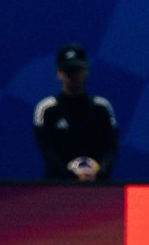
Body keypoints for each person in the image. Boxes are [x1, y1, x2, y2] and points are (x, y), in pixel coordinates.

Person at [34, 42, 118, 181]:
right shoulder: (47, 109)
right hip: (58, 187)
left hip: (98, 187)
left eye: (77, 70)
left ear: (86, 71)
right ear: (59, 73)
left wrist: (98, 171)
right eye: (68, 71)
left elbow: (111, 148)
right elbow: (47, 150)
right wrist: (72, 175)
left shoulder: (101, 108)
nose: (73, 76)